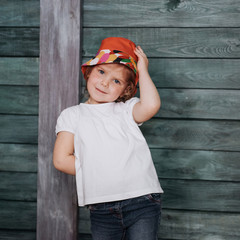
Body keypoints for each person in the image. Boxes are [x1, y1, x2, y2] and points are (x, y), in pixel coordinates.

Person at [53, 37, 164, 240]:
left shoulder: (126, 109)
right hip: (102, 206)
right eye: (101, 72)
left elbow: (151, 106)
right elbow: (61, 159)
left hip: (142, 199)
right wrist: (102, 168)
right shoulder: (72, 115)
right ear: (89, 71)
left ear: (126, 90)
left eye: (116, 81)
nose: (105, 82)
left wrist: (143, 70)